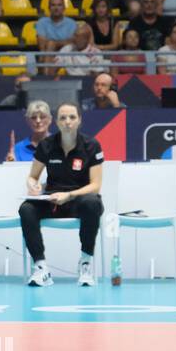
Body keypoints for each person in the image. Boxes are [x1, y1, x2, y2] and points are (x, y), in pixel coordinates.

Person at [18, 103, 105, 287]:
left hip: (79, 199)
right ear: (56, 122)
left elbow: (95, 186)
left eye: (72, 117)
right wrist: (33, 186)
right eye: (63, 118)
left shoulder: (92, 145)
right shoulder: (46, 145)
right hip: (53, 200)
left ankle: (86, 263)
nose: (67, 122)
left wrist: (70, 195)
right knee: (26, 209)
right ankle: (41, 268)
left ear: (79, 120)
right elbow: (33, 177)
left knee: (92, 204)